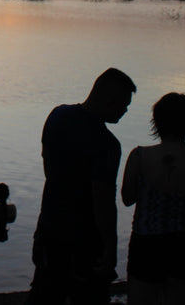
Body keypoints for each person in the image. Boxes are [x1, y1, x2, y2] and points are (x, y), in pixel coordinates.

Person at [27, 67, 136, 305]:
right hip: (85, 240)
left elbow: (49, 172)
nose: (126, 111)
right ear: (109, 100)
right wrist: (110, 251)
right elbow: (104, 204)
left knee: (45, 294)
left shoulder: (57, 115)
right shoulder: (107, 144)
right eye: (124, 105)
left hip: (50, 228)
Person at [121, 92, 185, 305]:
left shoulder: (139, 156)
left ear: (157, 121)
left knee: (141, 299)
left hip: (147, 240)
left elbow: (127, 198)